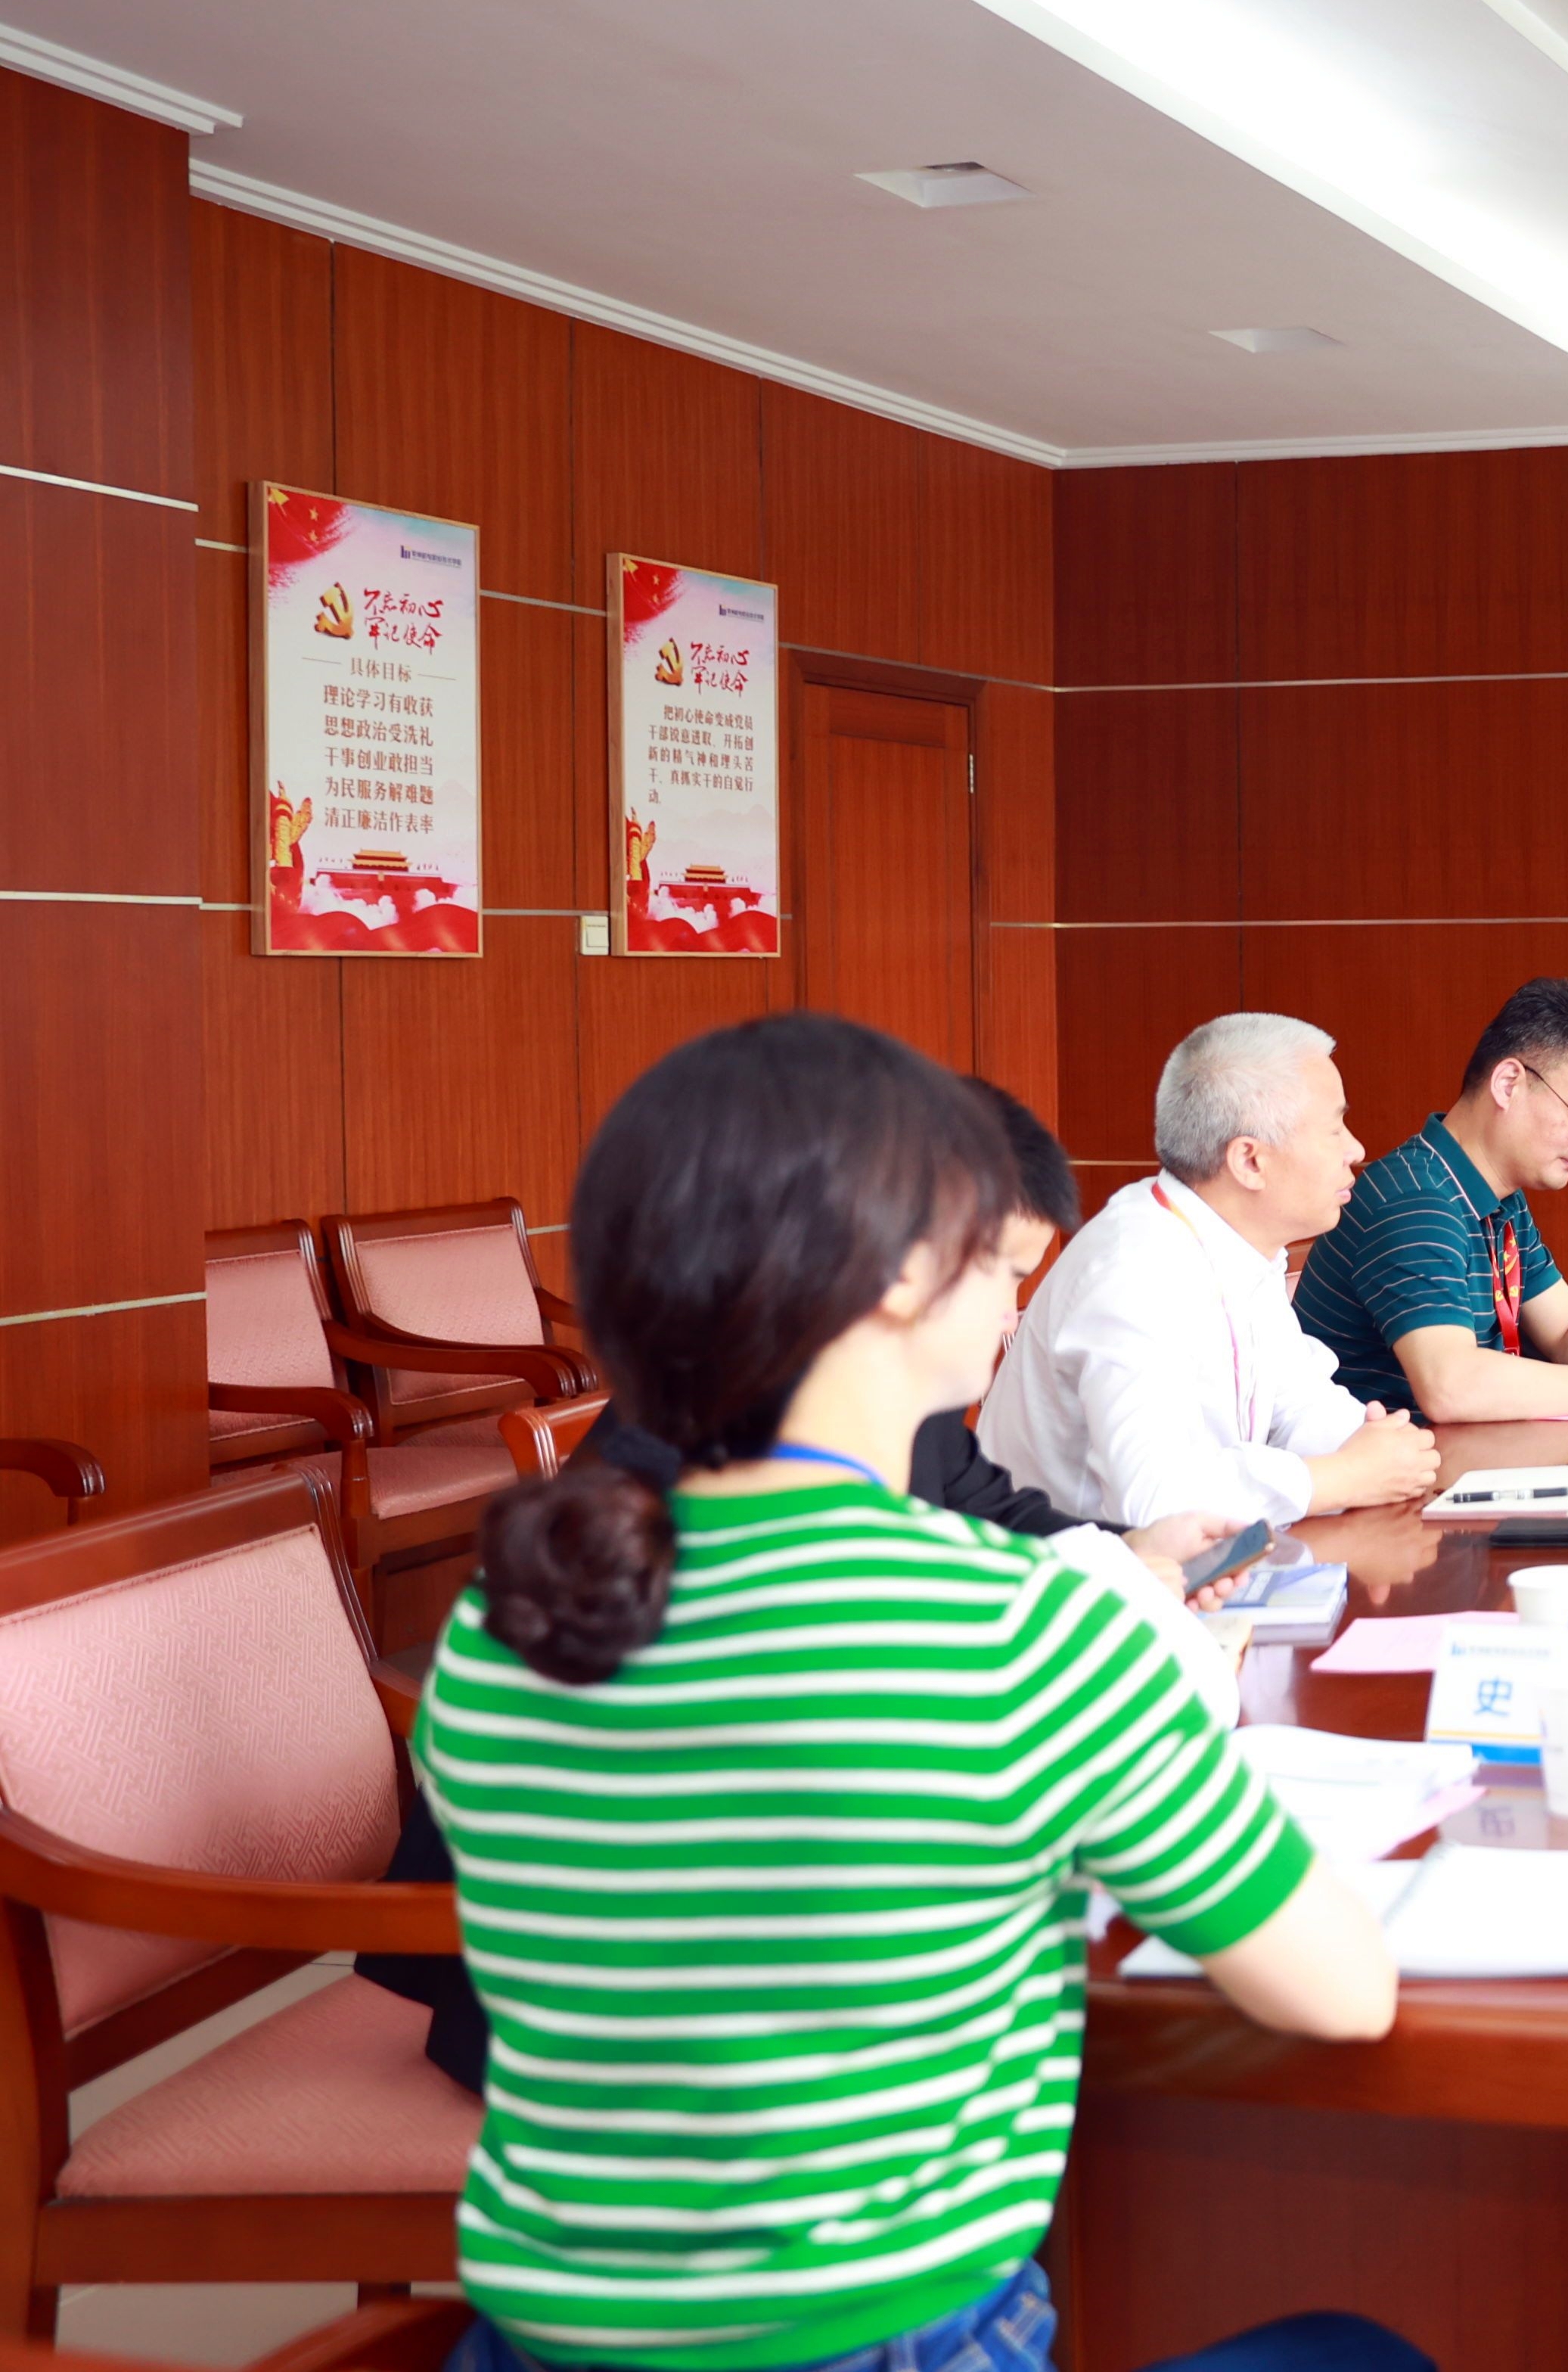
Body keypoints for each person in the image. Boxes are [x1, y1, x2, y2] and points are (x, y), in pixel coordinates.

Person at [416, 1011, 1427, 2372]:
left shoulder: (499, 1625)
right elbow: (1344, 1991)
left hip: (537, 2344)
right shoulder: (1022, 1630)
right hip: (897, 2345)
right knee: (1363, 2350)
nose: (1016, 1293)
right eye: (990, 1254)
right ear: (899, 1271)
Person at [977, 1013, 1437, 1526]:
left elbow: (1300, 1404)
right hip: (1068, 1566)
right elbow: (1156, 1503)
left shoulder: (1234, 1242)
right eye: (1335, 1128)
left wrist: (1378, 1447)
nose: (1356, 1149)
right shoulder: (1137, 1269)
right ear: (1250, 1161)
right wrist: (1339, 1477)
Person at [1293, 976, 1568, 1419]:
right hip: (1399, 1456)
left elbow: (1567, 1327)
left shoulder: (1498, 1197)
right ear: (1508, 1084)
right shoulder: (1416, 1201)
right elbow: (1452, 1386)